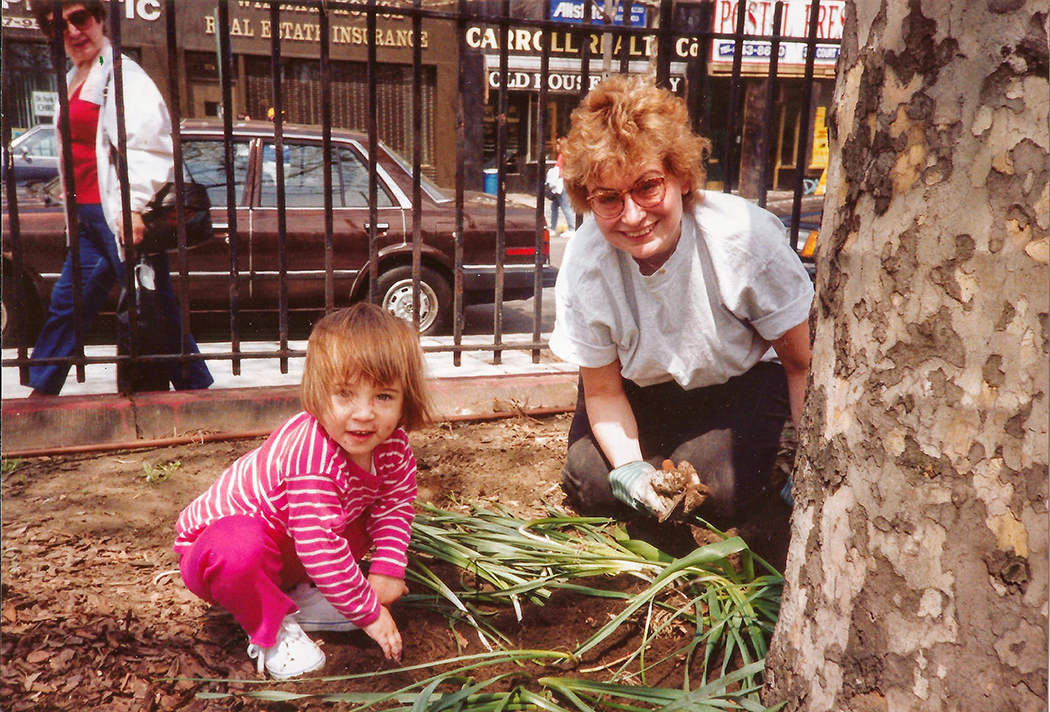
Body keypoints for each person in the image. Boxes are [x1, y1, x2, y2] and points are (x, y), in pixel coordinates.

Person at [549, 75, 813, 523]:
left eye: (648, 186)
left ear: (681, 178)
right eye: (609, 198)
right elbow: (604, 390)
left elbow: (800, 363)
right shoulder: (586, 260)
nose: (633, 215)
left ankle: (688, 458)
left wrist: (813, 466)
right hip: (634, 388)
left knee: (720, 493)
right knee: (591, 483)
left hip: (733, 384)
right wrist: (631, 469)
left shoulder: (743, 241)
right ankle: (655, 460)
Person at [173, 303, 433, 680]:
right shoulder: (313, 454)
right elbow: (320, 545)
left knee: (353, 516)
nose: (364, 414)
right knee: (240, 548)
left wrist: (388, 568)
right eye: (345, 394)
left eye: (383, 397)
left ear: (405, 398)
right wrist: (370, 615)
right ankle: (270, 627)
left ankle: (300, 595)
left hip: (292, 547)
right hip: (215, 555)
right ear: (316, 392)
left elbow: (395, 504)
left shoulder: (393, 446)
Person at [26, 0, 212, 395]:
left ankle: (196, 391)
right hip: (89, 217)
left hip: (118, 215)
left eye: (80, 18)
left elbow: (149, 146)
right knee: (69, 304)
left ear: (99, 19)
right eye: (59, 26)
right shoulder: (78, 75)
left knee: (154, 305)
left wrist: (133, 208)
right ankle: (40, 393)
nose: (73, 31)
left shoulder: (123, 75)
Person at [545, 138, 576, 236]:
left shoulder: (563, 156)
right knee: (554, 206)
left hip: (561, 185)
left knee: (565, 207)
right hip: (559, 185)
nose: (556, 147)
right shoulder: (562, 156)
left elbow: (562, 171)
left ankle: (572, 229)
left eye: (558, 145)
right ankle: (553, 228)